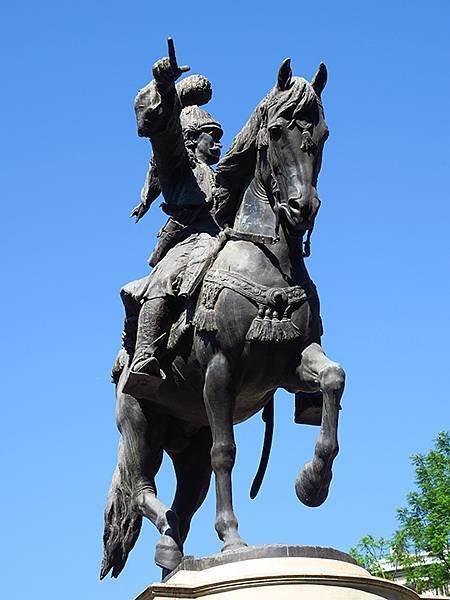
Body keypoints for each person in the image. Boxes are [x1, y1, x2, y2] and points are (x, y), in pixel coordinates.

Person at [117, 39, 224, 385]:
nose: (219, 144)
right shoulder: (178, 164)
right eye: (212, 136)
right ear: (193, 140)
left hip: (226, 237)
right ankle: (145, 354)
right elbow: (163, 133)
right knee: (166, 277)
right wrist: (164, 86)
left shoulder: (224, 174)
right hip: (189, 240)